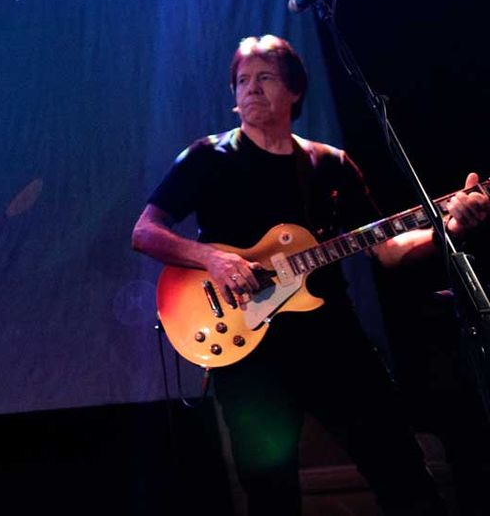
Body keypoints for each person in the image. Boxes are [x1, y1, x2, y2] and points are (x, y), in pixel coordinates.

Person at [131, 34, 488, 514]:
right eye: (242, 81)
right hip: (249, 354)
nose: (250, 89)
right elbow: (145, 232)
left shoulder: (329, 164)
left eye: (264, 78)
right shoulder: (207, 158)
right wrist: (214, 259)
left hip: (331, 339)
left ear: (295, 90)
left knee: (402, 471)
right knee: (270, 495)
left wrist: (448, 230)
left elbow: (388, 252)